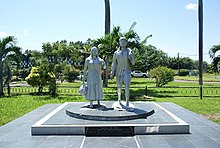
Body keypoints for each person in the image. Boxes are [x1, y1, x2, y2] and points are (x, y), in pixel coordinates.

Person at [110, 37, 135, 109]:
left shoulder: (129, 51)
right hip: (118, 72)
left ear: (126, 43)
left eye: (124, 41)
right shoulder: (116, 53)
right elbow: (114, 63)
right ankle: (119, 100)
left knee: (127, 87)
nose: (122, 43)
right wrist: (112, 72)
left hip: (127, 71)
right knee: (119, 87)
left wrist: (131, 56)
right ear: (119, 43)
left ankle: (127, 101)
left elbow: (133, 63)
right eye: (121, 41)